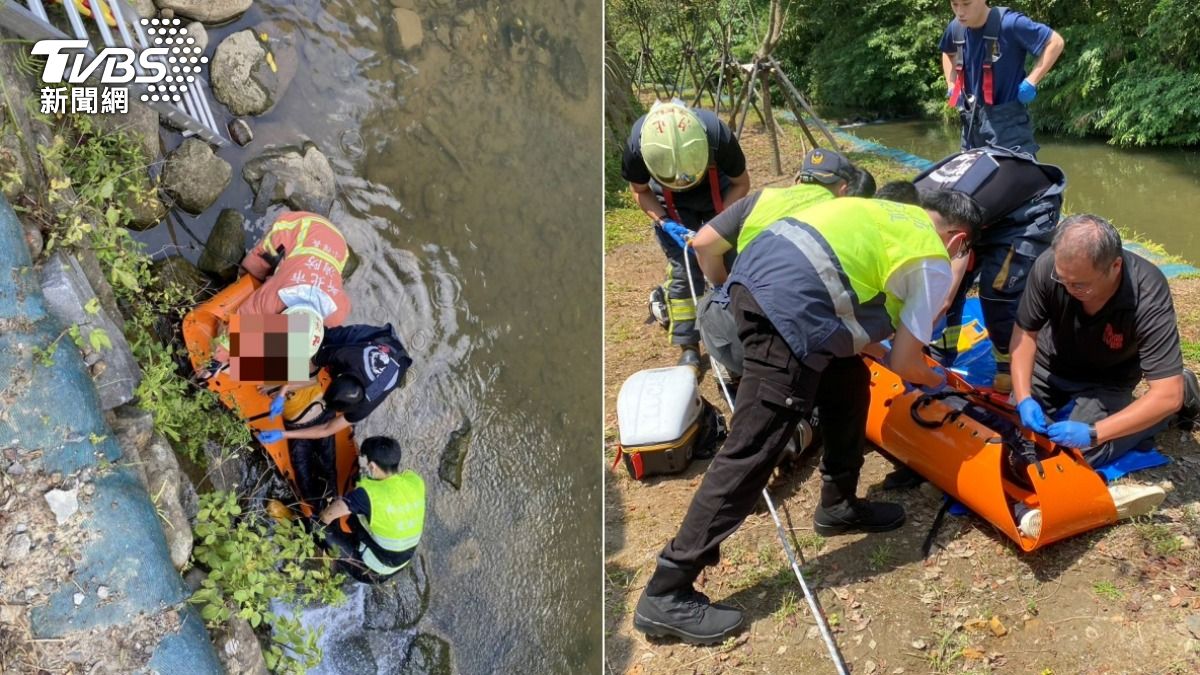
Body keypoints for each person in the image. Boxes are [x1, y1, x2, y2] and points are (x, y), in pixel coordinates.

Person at [634, 191, 983, 644]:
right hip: (789, 309)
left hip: (758, 280)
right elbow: (904, 361)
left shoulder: (889, 216)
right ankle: (667, 590)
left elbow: (863, 328)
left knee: (847, 380)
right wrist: (941, 381)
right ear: (957, 240)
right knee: (753, 449)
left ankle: (838, 505)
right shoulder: (933, 257)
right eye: (962, 251)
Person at [1009, 215, 1200, 536]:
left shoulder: (1146, 291)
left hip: (1107, 379)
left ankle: (1185, 392)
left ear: (1114, 267)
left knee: (1079, 454)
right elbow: (1025, 333)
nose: (1069, 288)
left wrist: (1095, 432)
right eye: (1063, 280)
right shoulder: (1049, 268)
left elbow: (1164, 394)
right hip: (1050, 364)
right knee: (1013, 433)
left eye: (1080, 284)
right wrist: (1024, 395)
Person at [690, 148, 872, 379]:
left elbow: (702, 244)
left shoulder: (761, 199)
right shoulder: (846, 213)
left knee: (716, 300)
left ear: (798, 178)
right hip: (807, 340)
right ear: (844, 189)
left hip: (738, 328)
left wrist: (723, 285)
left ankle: (736, 370)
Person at [622, 100, 751, 368]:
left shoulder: (717, 135)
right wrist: (665, 222)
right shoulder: (637, 144)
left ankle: (741, 328)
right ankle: (688, 342)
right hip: (669, 202)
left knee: (730, 260)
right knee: (684, 269)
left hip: (719, 193)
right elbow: (640, 190)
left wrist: (720, 223)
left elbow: (741, 183)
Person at [257, 323, 413, 505]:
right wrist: (283, 389)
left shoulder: (365, 404)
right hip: (375, 340)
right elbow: (313, 369)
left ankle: (323, 505)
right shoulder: (343, 354)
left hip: (396, 360)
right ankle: (240, 343)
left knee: (325, 466)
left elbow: (327, 429)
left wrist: (283, 434)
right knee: (322, 338)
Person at [941, 0, 1064, 156]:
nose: (960, 12)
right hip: (971, 123)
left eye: (966, 4)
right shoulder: (956, 27)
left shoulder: (1011, 23)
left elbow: (1055, 42)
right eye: (955, 4)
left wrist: (1031, 81)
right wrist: (951, 84)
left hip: (1009, 125)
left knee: (1015, 177)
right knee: (975, 177)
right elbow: (948, 52)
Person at [318, 436, 425, 583]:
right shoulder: (415, 480)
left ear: (373, 466)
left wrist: (322, 515)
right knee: (357, 517)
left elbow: (326, 517)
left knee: (316, 527)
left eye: (366, 461)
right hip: (401, 560)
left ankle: (339, 565)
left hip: (373, 571)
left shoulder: (367, 495)